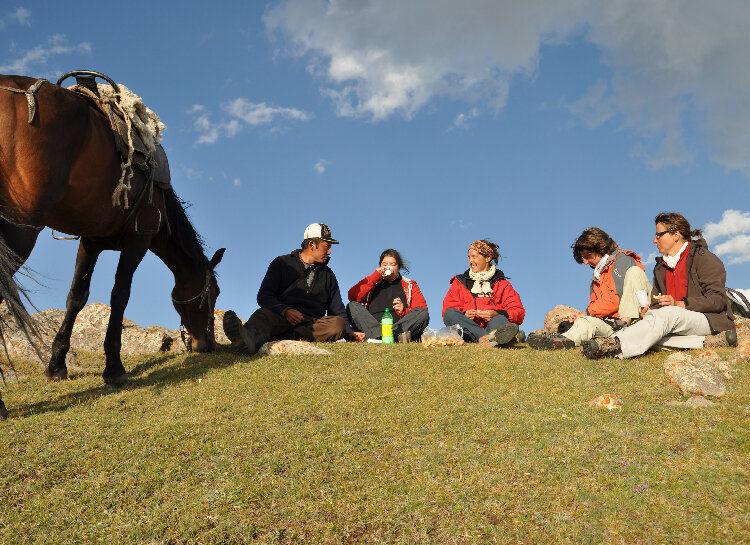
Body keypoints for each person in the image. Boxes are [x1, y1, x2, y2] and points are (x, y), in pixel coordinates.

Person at [582, 212, 735, 359]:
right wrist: (648, 310)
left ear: (676, 235)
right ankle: (706, 342)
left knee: (668, 315)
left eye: (659, 235)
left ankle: (613, 344)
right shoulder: (661, 267)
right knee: (650, 330)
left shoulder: (704, 258)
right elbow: (656, 304)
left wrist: (680, 304)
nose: (654, 240)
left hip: (709, 319)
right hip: (674, 320)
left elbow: (717, 300)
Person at [223, 223, 365, 355]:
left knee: (337, 324)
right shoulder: (282, 263)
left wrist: (349, 333)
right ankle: (247, 341)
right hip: (280, 317)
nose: (329, 252)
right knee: (263, 315)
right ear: (311, 244)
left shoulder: (329, 275)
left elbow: (338, 309)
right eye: (326, 247)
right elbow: (264, 296)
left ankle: (279, 337)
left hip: (311, 326)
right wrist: (285, 311)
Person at [527, 227, 651, 350]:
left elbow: (617, 299)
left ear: (600, 248)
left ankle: (560, 340)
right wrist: (581, 317)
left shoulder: (623, 261)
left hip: (635, 320)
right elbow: (597, 305)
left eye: (588, 256)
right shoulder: (597, 277)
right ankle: (559, 341)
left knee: (587, 318)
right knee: (584, 323)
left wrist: (587, 313)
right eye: (583, 258)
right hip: (614, 324)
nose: (585, 262)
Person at [442, 239, 525, 346]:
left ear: (488, 258)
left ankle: (490, 337)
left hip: (493, 326)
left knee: (500, 319)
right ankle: (490, 339)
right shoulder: (459, 282)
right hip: (467, 328)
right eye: (469, 257)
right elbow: (448, 309)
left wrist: (497, 313)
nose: (470, 261)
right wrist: (464, 315)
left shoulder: (503, 284)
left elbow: (518, 312)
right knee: (450, 314)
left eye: (474, 257)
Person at [347, 249, 429, 342]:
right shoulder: (373, 282)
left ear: (399, 267)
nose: (388, 267)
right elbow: (352, 296)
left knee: (422, 313)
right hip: (372, 325)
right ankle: (380, 335)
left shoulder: (410, 284)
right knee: (352, 306)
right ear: (380, 266)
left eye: (392, 264)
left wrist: (404, 310)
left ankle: (386, 336)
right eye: (385, 264)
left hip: (398, 327)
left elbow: (421, 309)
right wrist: (374, 277)